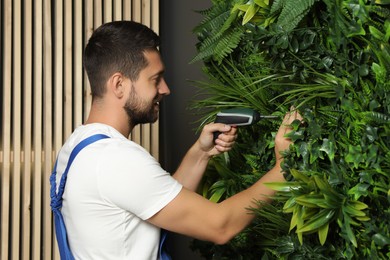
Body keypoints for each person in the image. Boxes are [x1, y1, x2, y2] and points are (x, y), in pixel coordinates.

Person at [52, 20, 302, 259]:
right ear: (119, 84)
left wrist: (201, 153)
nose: (165, 89)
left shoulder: (78, 147)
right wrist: (282, 168)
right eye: (155, 79)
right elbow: (220, 226)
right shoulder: (116, 159)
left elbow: (155, 202)